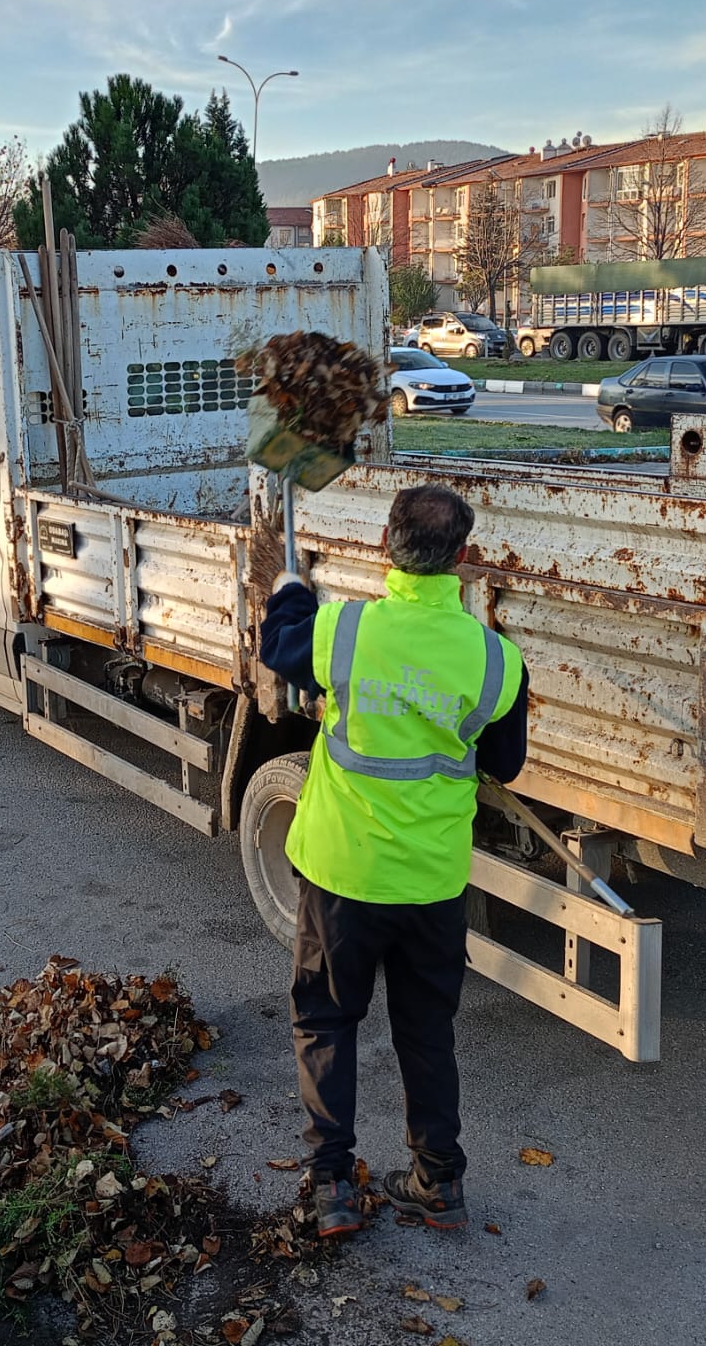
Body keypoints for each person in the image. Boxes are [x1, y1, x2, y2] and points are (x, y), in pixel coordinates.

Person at [259, 485, 528, 1240]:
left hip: (342, 875)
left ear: (385, 543)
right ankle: (438, 1183)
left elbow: (276, 645)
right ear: (465, 560)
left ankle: (331, 1187)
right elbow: (504, 765)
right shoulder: (495, 662)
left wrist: (288, 593)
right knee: (425, 1032)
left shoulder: (341, 632)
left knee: (326, 1023)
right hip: (433, 885)